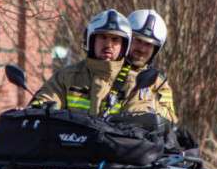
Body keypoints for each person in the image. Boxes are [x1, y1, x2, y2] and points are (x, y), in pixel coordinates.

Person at [30, 9, 158, 117]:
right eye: (102, 37)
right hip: (68, 145)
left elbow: (140, 122)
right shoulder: (67, 76)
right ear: (91, 41)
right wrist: (31, 111)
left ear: (124, 46)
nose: (108, 45)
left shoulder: (135, 84)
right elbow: (43, 103)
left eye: (115, 40)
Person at [126, 9, 176, 123]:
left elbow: (171, 119)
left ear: (155, 50)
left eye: (149, 44)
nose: (142, 49)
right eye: (137, 40)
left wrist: (149, 103)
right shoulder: (110, 69)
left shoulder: (159, 82)